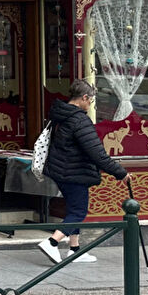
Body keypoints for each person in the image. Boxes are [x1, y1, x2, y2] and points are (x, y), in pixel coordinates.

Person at [39, 79, 128, 264]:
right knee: (78, 212)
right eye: (91, 101)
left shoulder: (60, 115)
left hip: (61, 170)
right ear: (84, 97)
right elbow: (97, 153)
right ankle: (52, 242)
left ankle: (74, 250)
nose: (90, 105)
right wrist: (120, 173)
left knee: (73, 209)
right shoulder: (80, 120)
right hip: (74, 172)